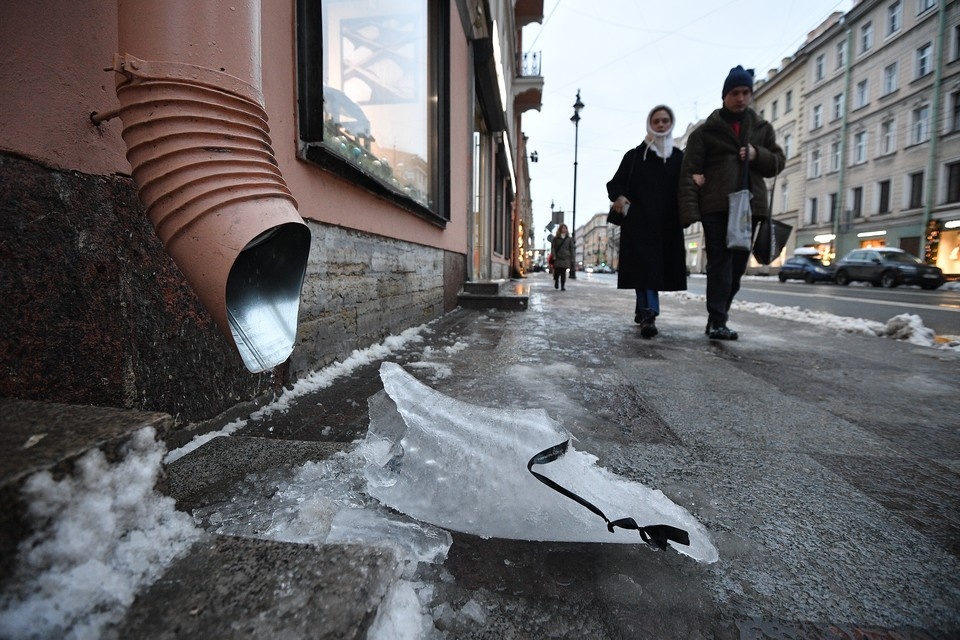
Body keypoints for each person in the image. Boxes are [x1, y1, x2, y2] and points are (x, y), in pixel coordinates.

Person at [679, 65, 785, 340]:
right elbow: (689, 173)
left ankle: (718, 317)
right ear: (725, 95)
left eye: (745, 92)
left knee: (737, 267)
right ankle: (717, 320)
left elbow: (777, 163)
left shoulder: (762, 128)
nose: (741, 98)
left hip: (749, 208)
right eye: (735, 92)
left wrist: (755, 154)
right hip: (717, 206)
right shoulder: (705, 133)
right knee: (719, 265)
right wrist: (691, 212)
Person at [606, 105, 688, 338]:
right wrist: (620, 197)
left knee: (652, 272)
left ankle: (641, 310)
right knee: (645, 269)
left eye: (665, 121)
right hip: (639, 224)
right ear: (649, 124)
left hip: (667, 226)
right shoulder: (634, 156)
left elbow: (686, 188)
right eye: (656, 121)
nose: (661, 125)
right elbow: (615, 184)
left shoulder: (679, 158)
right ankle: (649, 315)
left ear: (671, 124)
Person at [550, 224, 574, 290]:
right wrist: (554, 255)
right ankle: (556, 281)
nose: (564, 230)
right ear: (560, 229)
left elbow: (572, 248)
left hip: (566, 258)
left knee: (563, 272)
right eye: (562, 228)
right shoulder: (556, 238)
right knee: (557, 271)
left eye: (565, 228)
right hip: (558, 258)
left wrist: (572, 258)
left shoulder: (569, 239)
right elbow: (553, 248)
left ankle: (563, 286)